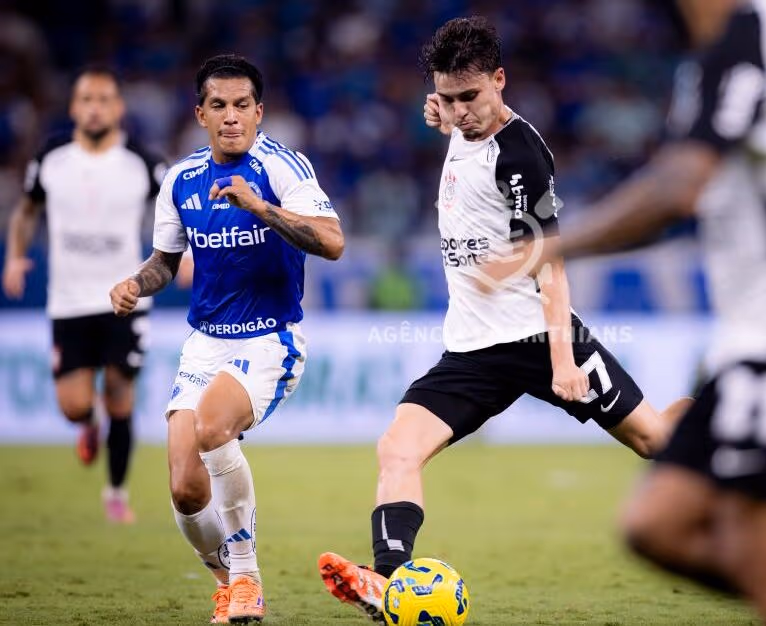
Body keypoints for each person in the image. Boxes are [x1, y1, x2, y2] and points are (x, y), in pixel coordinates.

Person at [483, 1, 766, 625]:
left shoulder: (744, 36)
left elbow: (678, 188)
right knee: (658, 526)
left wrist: (548, 245)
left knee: (759, 555)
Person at [315, 16, 688, 622]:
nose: (459, 112)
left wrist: (564, 362)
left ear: (500, 81)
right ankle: (385, 581)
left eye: (471, 98)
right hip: (471, 350)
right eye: (447, 99)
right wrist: (438, 113)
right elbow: (448, 121)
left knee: (655, 442)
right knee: (398, 449)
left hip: (541, 337)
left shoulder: (521, 156)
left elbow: (552, 266)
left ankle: (711, 419)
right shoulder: (455, 119)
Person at [109, 53, 344, 624]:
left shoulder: (283, 167)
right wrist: (136, 283)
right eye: (219, 106)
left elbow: (333, 242)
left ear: (259, 112)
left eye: (242, 106)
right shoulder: (180, 181)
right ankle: (226, 582)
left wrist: (261, 207)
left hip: (270, 338)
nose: (232, 117)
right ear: (200, 114)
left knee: (214, 426)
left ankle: (247, 580)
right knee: (185, 489)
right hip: (205, 343)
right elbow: (166, 262)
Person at [2, 67, 167, 523]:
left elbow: (177, 209)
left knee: (120, 393)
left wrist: (183, 253)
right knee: (74, 406)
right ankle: (88, 424)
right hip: (69, 300)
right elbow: (26, 212)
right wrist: (15, 257)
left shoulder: (143, 162)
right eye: (87, 99)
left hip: (126, 296)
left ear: (118, 108)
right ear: (74, 107)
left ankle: (115, 494)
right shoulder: (51, 158)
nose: (95, 107)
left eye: (104, 99)